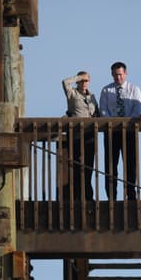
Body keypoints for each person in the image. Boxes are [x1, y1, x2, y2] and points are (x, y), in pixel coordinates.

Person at [97, 61, 141, 201]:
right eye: (115, 75)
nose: (118, 78)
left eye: (120, 74)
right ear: (112, 75)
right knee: (111, 165)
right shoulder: (106, 90)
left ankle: (131, 194)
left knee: (130, 164)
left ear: (126, 73)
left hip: (129, 131)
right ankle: (112, 196)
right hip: (111, 132)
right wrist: (114, 124)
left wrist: (126, 123)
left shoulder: (134, 89)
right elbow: (103, 110)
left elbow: (137, 109)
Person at [61, 71, 98, 201]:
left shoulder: (92, 96)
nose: (84, 83)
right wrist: (79, 76)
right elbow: (65, 82)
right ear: (77, 82)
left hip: (89, 134)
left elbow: (97, 114)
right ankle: (76, 195)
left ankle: (88, 195)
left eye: (86, 80)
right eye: (82, 80)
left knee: (88, 166)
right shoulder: (72, 93)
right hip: (75, 133)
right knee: (76, 165)